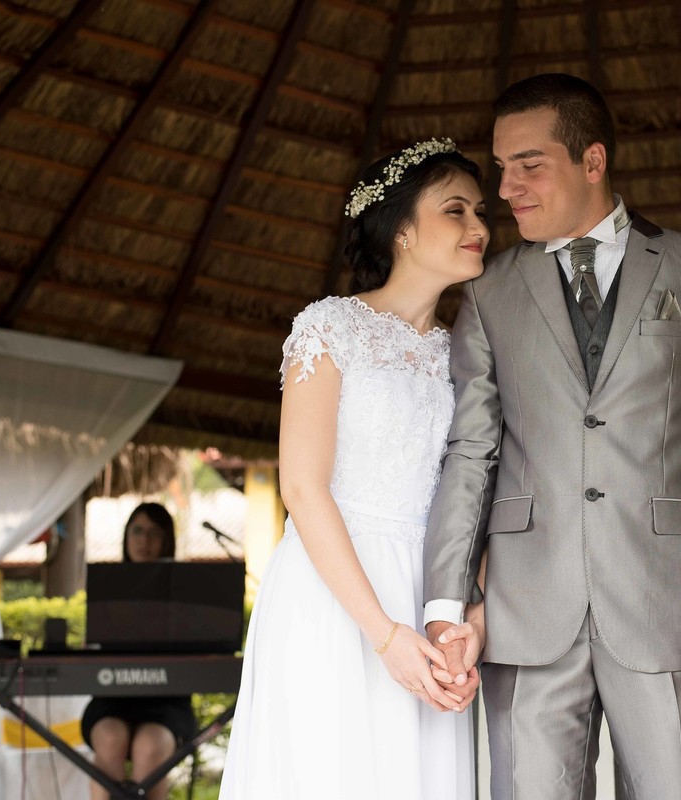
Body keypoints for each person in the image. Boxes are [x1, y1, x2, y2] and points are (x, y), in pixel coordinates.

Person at [424, 73, 681, 800]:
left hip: (672, 613)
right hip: (526, 613)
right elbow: (471, 457)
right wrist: (446, 605)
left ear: (593, 160)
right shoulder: (488, 295)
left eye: (530, 164)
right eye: (501, 168)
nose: (508, 187)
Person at [217, 138, 488, 799]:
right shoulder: (330, 328)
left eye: (483, 213)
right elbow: (303, 490)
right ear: (399, 227)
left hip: (431, 597)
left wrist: (470, 623)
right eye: (456, 210)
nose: (479, 228)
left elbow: (479, 495)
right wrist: (383, 633)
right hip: (333, 596)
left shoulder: (468, 355)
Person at [82, 502, 196, 800]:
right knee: (109, 738)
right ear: (126, 536)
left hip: (168, 701)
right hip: (113, 696)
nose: (144, 541)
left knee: (150, 746)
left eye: (154, 533)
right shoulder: (107, 586)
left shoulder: (186, 592)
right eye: (137, 531)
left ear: (166, 539)